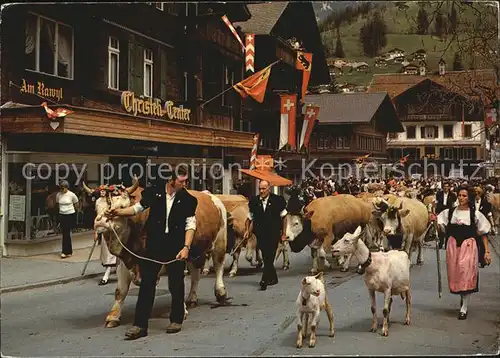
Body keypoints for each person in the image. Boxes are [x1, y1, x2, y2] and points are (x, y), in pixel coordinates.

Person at [106, 168, 197, 339]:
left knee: (176, 283)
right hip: (154, 246)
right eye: (182, 181)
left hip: (176, 247)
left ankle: (176, 319)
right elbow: (136, 209)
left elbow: (190, 225)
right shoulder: (154, 193)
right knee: (147, 283)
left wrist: (186, 247)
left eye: (186, 181)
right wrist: (117, 212)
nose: (185, 184)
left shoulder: (188, 200)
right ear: (171, 180)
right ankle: (140, 326)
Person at [437, 185, 492, 320]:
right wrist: (436, 224)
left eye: (464, 196)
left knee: (466, 272)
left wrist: (486, 251)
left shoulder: (475, 214)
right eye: (460, 195)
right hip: (453, 246)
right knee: (457, 273)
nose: (461, 198)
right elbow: (442, 228)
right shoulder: (449, 213)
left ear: (469, 198)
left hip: (469, 245)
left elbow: (484, 233)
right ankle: (463, 297)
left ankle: (464, 307)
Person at [244, 180, 287, 291]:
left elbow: (284, 217)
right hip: (260, 233)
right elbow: (249, 218)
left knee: (270, 254)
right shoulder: (254, 201)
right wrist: (247, 230)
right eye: (260, 189)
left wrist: (284, 233)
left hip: (274, 232)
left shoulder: (278, 200)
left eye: (264, 189)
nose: (261, 191)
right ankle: (273, 278)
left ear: (269, 188)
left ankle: (264, 280)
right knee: (265, 255)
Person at [56, 180, 79, 259]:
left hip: (69, 214)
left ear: (66, 187)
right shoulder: (59, 194)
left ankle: (65, 251)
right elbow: (57, 204)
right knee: (65, 233)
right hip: (62, 214)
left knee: (66, 233)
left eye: (63, 188)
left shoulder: (71, 195)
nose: (61, 190)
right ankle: (68, 251)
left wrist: (74, 213)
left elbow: (76, 204)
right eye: (60, 188)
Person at [435, 181, 458, 249]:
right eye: (444, 186)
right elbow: (436, 203)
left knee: (448, 229)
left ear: (449, 187)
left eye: (447, 186)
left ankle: (446, 244)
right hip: (440, 212)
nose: (445, 188)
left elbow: (455, 204)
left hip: (449, 212)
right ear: (443, 187)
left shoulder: (453, 195)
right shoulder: (439, 194)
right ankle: (441, 242)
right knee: (441, 228)